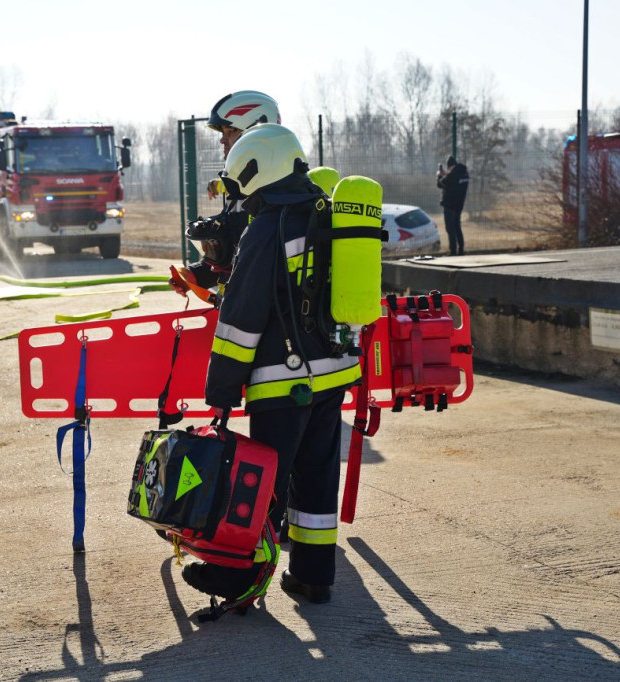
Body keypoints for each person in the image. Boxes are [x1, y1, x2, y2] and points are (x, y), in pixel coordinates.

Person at [181, 124, 362, 605]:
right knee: (318, 477)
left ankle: (240, 576)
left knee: (262, 484)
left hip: (284, 381)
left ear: (255, 171)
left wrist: (220, 390)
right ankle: (313, 577)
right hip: (333, 375)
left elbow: (241, 318)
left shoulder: (266, 229)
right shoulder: (324, 212)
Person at [169, 91, 281, 298]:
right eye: (222, 132)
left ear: (257, 131)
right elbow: (232, 253)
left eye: (230, 131)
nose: (222, 140)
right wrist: (196, 276)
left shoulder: (280, 191)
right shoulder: (241, 186)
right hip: (240, 308)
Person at [437, 156, 469, 256]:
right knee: (457, 227)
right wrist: (447, 175)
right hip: (459, 205)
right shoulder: (464, 174)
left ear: (450, 166)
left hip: (450, 205)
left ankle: (453, 250)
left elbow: (441, 183)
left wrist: (440, 175)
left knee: (450, 228)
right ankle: (461, 249)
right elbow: (452, 183)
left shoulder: (453, 174)